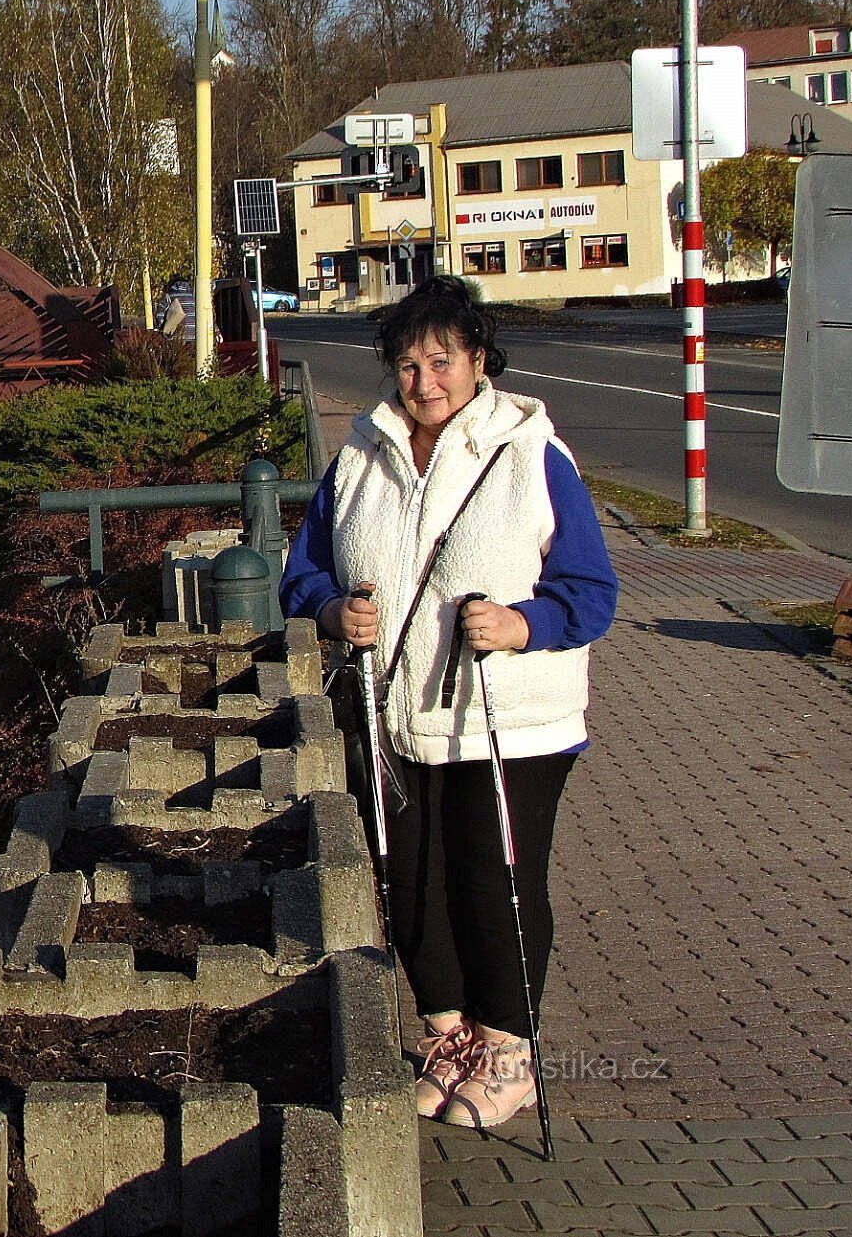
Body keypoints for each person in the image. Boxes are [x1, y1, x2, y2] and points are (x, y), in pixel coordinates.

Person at [279, 274, 617, 1129]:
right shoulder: (360, 454)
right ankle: (449, 1037)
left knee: (493, 881)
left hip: (510, 722)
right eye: (407, 362)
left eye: (442, 360)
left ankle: (510, 1054)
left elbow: (592, 591)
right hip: (397, 717)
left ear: (477, 360)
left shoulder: (530, 452)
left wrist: (519, 623)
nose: (423, 381)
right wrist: (330, 608)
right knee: (413, 885)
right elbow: (302, 571)